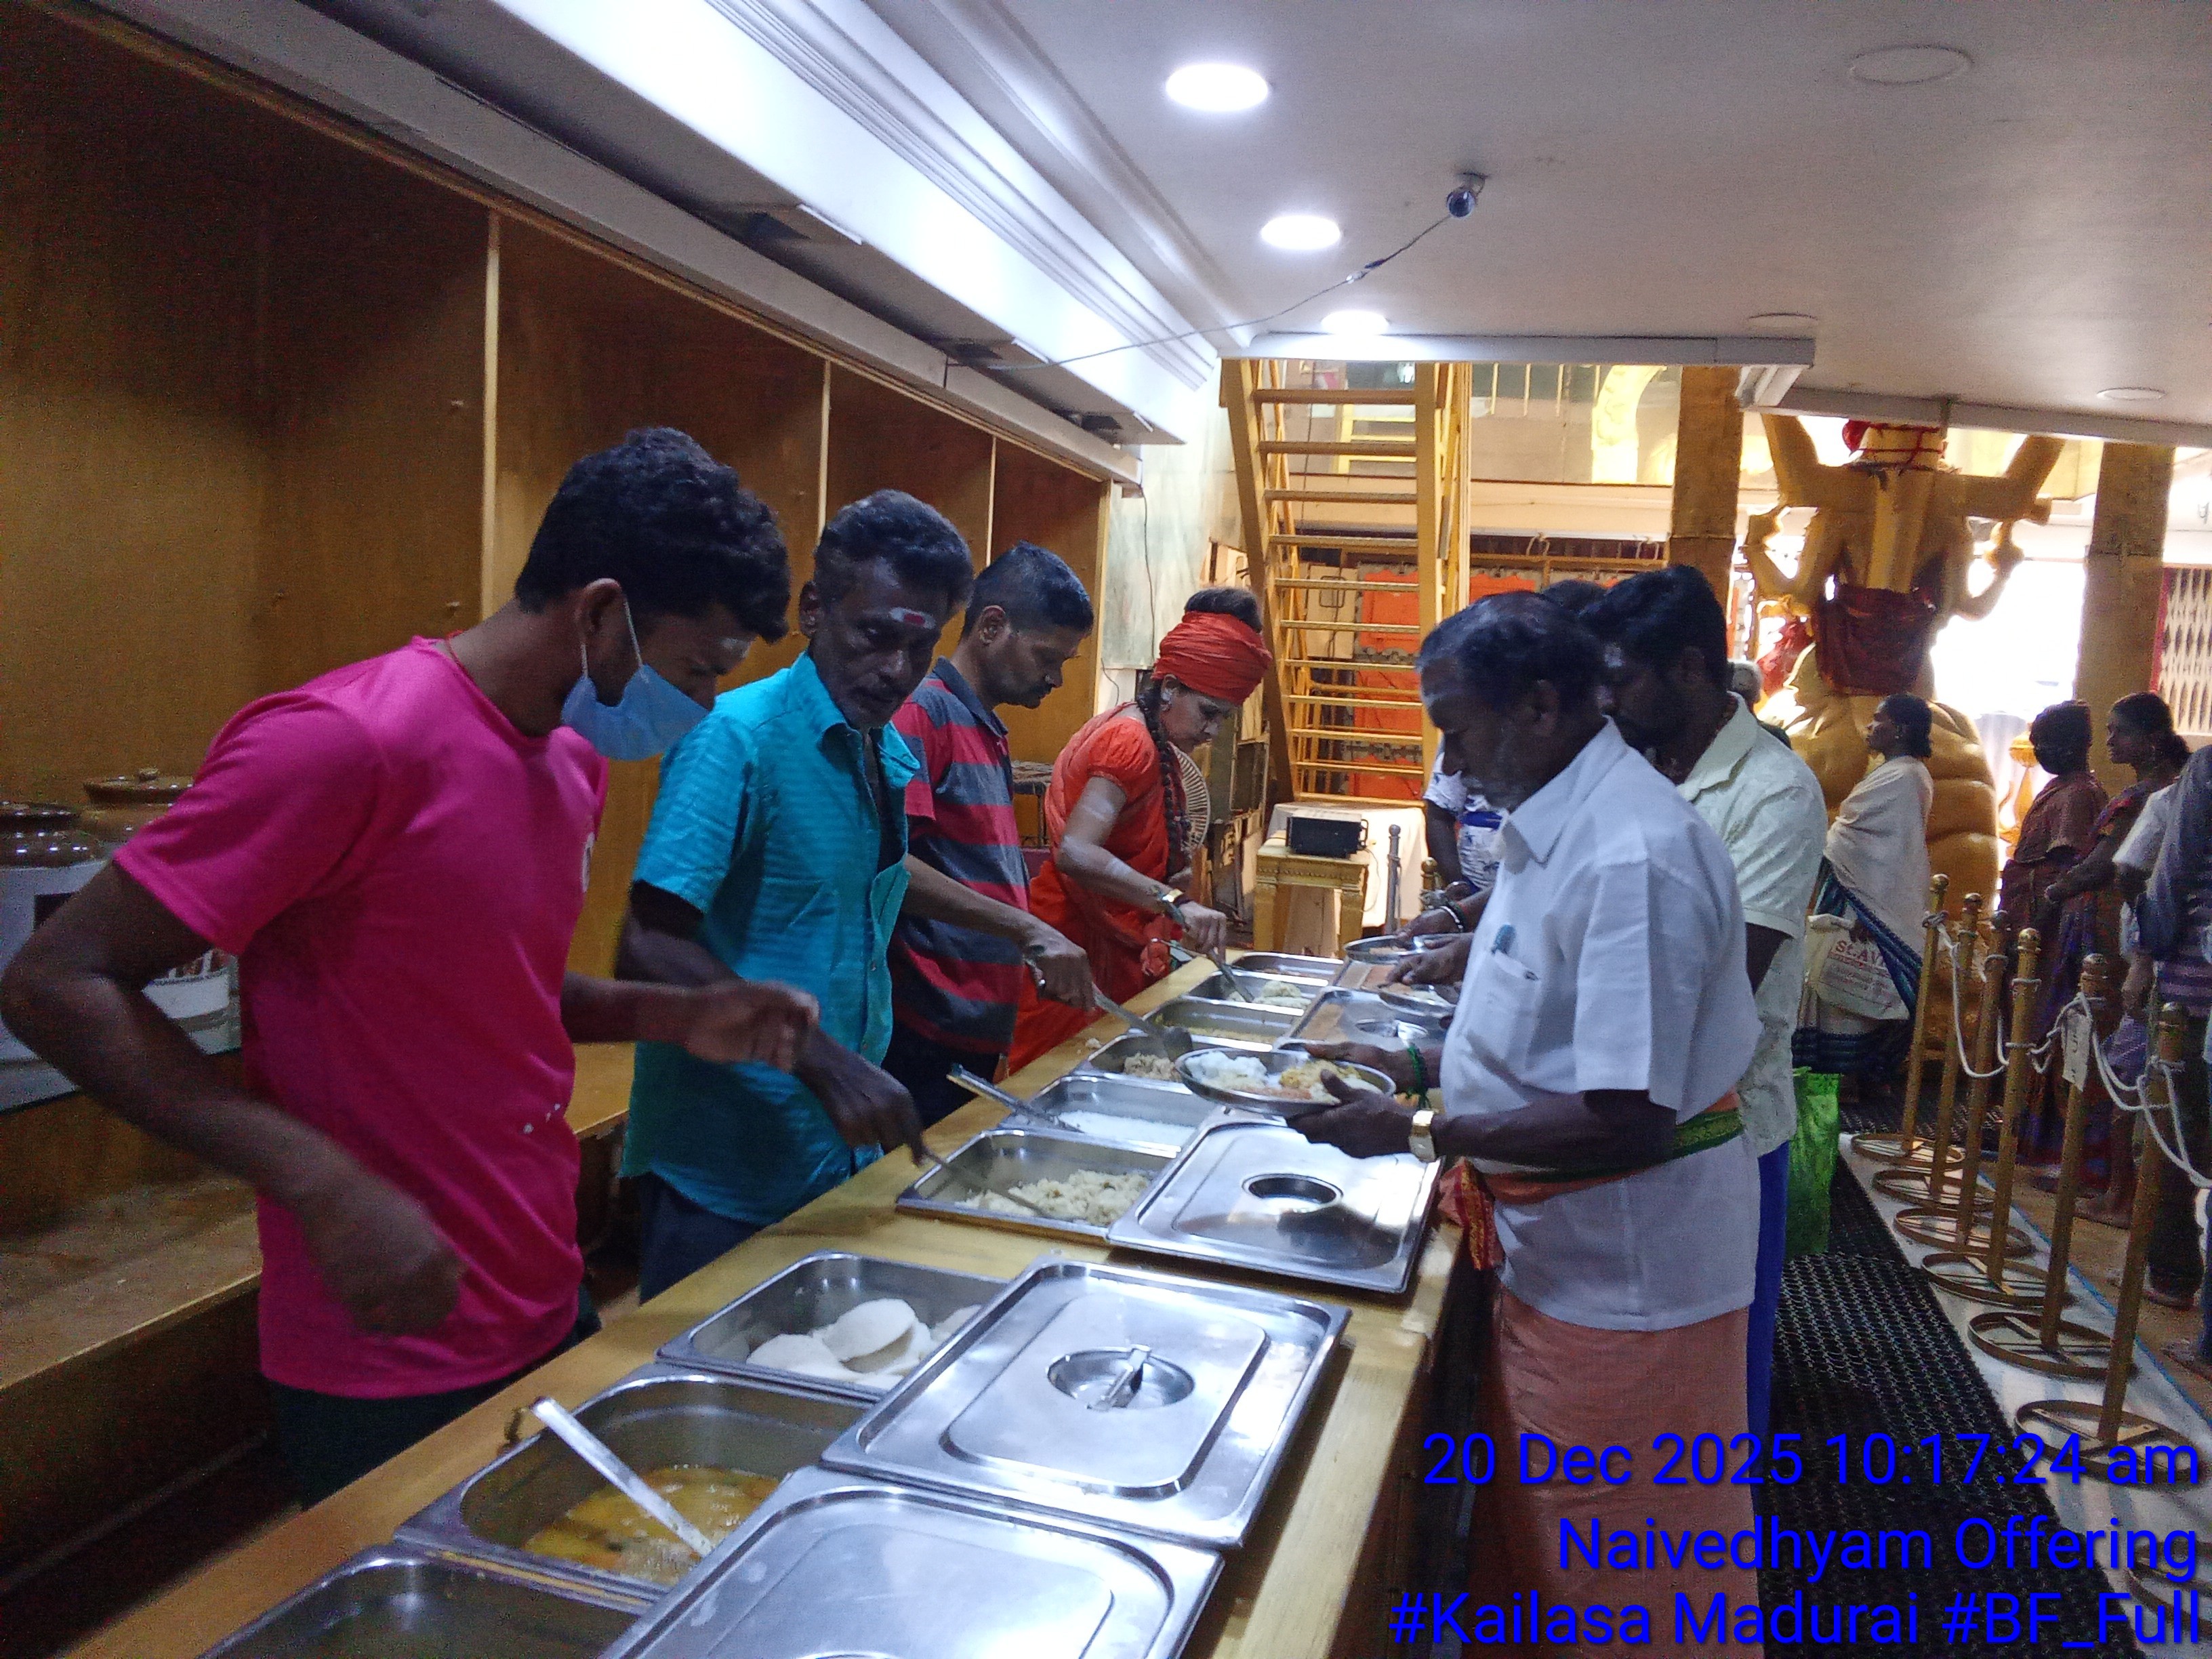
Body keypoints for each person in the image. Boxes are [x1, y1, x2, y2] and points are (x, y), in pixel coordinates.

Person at [0, 428, 819, 1502]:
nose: (703, 705)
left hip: (543, 1292)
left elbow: (492, 988)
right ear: (601, 613)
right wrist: (319, 1180)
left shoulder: (571, 758)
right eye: (698, 669)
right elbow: (57, 983)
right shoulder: (344, 744)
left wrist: (674, 1017)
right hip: (386, 1342)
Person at [1298, 593, 1763, 1646]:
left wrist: (1420, 1131)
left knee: (1621, 1577)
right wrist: (1411, 1064)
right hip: (1555, 1250)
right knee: (1544, 1550)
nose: (1452, 764)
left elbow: (1627, 1118)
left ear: (1543, 706)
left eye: (1459, 729)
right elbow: (1537, 1022)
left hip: (1629, 1277)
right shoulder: (1559, 822)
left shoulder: (1632, 855)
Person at [617, 490, 974, 1301]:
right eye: (874, 636)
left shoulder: (881, 753)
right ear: (814, 609)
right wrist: (819, 1059)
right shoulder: (736, 736)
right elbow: (648, 943)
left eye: (920, 648)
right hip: (726, 1164)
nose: (896, 670)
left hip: (829, 1152)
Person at [1584, 565, 1827, 1444]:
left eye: (1621, 678)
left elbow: (1722, 981)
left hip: (1721, 1127)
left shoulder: (1773, 792)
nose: (1606, 699)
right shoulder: (1632, 764)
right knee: (1626, 1377)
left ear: (1689, 668)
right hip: (1623, 1106)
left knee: (1710, 1385)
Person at [1006, 588, 1269, 1071]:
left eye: (1224, 718)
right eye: (1208, 713)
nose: (1213, 732)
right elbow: (1076, 852)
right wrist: (1174, 902)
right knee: (1054, 1078)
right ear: (1169, 688)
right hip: (1074, 944)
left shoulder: (1150, 736)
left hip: (1103, 946)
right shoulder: (1130, 742)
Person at [883, 543, 1097, 1125]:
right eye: (1046, 656)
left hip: (973, 1028)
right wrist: (1026, 928)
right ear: (991, 626)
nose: (1055, 678)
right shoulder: (923, 715)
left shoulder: (985, 728)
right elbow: (891, 864)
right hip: (924, 1030)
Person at [2019, 693, 2190, 1186]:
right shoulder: (2144, 792)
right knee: (2082, 1043)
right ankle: (2076, 1162)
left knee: (2100, 1049)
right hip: (2100, 930)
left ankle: (2094, 1174)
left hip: (2111, 940)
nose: (2108, 740)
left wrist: (2054, 893)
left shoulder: (2153, 797)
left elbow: (2110, 866)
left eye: (2119, 731)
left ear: (2152, 740)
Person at [1794, 694, 1936, 1100]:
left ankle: (1849, 1079)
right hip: (1853, 888)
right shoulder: (1897, 772)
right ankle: (1840, 1078)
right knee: (1834, 983)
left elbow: (1890, 853)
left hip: (1868, 900)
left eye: (1879, 720)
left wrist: (1869, 914)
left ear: (1900, 730)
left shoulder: (1904, 777)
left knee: (1850, 992)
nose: (1871, 728)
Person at [2133, 744, 2212, 1330]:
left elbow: (2173, 869)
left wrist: (2146, 954)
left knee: (2169, 1133)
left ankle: (2172, 1275)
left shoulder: (2206, 772)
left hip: (2191, 988)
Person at [1999, 700, 2106, 933]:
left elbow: (2066, 870)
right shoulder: (2062, 785)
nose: (2039, 750)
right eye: (2036, 743)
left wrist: (2036, 926)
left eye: (2045, 742)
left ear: (2072, 744)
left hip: (2044, 921)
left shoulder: (2077, 793)